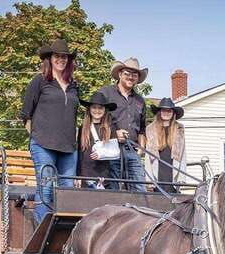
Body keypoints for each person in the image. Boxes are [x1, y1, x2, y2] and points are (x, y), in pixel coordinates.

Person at [20, 38, 80, 223]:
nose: (61, 59)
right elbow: (25, 115)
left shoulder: (74, 85)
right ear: (50, 58)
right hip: (43, 144)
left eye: (65, 57)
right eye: (57, 56)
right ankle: (42, 233)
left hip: (69, 147)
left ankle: (64, 234)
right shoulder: (39, 81)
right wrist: (37, 137)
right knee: (45, 187)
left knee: (67, 189)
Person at [99, 57, 148, 192]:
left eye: (134, 74)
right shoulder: (105, 93)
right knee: (112, 187)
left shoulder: (140, 100)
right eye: (127, 73)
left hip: (132, 148)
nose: (130, 77)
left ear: (138, 78)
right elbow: (95, 121)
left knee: (139, 187)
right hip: (110, 146)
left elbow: (142, 129)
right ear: (120, 74)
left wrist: (142, 147)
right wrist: (114, 134)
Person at [76, 91, 117, 189]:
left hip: (104, 174)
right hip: (86, 174)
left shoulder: (110, 127)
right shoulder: (84, 127)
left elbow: (115, 151)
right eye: (94, 107)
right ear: (89, 109)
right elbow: (80, 153)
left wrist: (102, 153)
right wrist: (78, 175)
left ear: (105, 110)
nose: (97, 110)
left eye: (100, 108)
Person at [145, 97, 186, 193]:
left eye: (169, 111)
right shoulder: (151, 129)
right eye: (164, 110)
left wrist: (181, 177)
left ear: (173, 113)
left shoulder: (179, 129)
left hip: (172, 169)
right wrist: (149, 180)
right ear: (159, 112)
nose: (166, 113)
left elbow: (183, 155)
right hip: (158, 169)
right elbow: (148, 157)